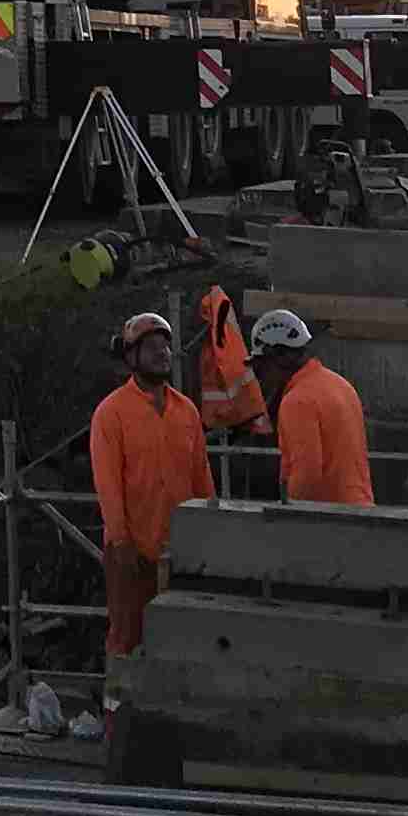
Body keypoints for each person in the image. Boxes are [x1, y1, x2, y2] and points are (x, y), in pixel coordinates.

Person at [89, 309, 212, 660]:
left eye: (165, 346)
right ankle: (118, 713)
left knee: (181, 641)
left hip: (182, 551)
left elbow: (202, 476)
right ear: (131, 356)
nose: (162, 353)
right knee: (127, 640)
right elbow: (108, 486)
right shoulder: (111, 414)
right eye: (152, 347)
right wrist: (122, 542)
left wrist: (212, 531)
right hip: (133, 552)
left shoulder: (186, 411)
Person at [250, 307, 375, 506]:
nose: (262, 375)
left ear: (280, 355)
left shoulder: (297, 401)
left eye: (262, 365)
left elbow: (306, 473)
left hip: (326, 521)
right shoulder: (341, 385)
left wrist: (287, 514)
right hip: (361, 511)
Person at [194, 282, 271, 498]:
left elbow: (227, 369)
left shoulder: (221, 331)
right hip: (236, 416)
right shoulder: (224, 327)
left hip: (233, 417)